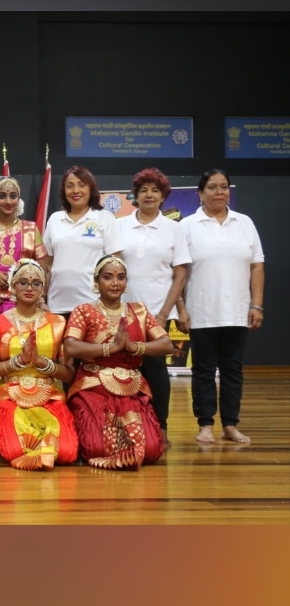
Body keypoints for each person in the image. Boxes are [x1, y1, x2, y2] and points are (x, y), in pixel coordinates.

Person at [178, 169, 265, 445]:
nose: (219, 192)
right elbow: (178, 271)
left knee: (232, 370)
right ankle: (205, 425)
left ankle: (230, 425)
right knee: (203, 371)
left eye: (224, 187)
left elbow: (257, 266)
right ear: (200, 193)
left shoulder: (245, 223)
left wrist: (257, 305)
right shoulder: (187, 226)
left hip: (237, 312)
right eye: (212, 187)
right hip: (201, 311)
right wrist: (181, 307)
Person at [64, 256, 173, 469]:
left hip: (131, 388)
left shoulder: (138, 311)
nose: (115, 283)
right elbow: (71, 347)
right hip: (92, 388)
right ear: (96, 282)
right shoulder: (83, 311)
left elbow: (166, 344)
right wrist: (110, 348)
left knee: (151, 449)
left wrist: (134, 347)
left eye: (121, 277)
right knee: (95, 446)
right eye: (108, 277)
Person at [0, 260, 78, 471]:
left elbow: (69, 374)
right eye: (23, 282)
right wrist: (18, 362)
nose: (29, 288)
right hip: (8, 396)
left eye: (36, 283)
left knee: (67, 453)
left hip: (49, 396)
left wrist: (41, 362)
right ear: (12, 286)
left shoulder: (58, 323)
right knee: (16, 450)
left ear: (43, 288)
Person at [116, 168, 191, 443]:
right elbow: (110, 267)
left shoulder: (174, 228)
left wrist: (161, 315)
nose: (149, 194)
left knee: (156, 369)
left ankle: (161, 428)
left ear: (163, 197)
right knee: (125, 369)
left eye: (155, 190)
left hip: (157, 313)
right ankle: (129, 426)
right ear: (135, 195)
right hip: (122, 311)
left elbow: (180, 274)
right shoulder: (120, 225)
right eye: (144, 190)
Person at [42, 165, 122, 318]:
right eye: (69, 186)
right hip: (57, 306)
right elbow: (47, 265)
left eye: (81, 185)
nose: (75, 191)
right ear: (63, 191)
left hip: (94, 305)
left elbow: (115, 266)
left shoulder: (104, 217)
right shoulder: (55, 219)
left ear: (91, 189)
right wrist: (42, 298)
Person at [0, 175, 48, 335]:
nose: (8, 201)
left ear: (18, 199)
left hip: (24, 298)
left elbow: (43, 270)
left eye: (13, 196)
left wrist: (41, 299)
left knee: (22, 345)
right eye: (2, 196)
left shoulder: (31, 229)